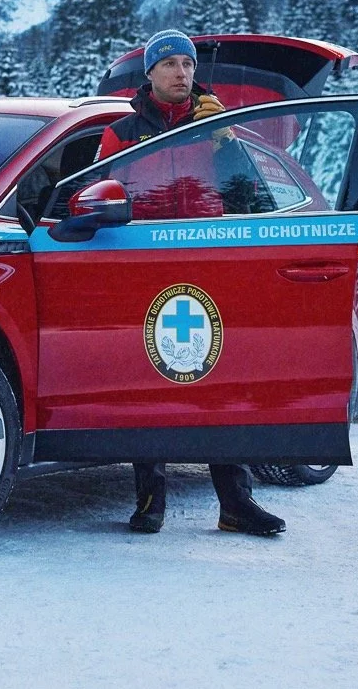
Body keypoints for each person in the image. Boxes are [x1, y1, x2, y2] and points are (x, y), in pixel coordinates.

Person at [98, 28, 288, 537]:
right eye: (171, 65)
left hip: (210, 260)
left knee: (222, 381)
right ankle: (149, 500)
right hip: (146, 262)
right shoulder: (123, 131)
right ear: (151, 74)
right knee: (149, 378)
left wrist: (225, 139)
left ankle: (236, 504)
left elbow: (253, 198)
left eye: (188, 64)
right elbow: (104, 194)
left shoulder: (218, 124)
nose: (182, 74)